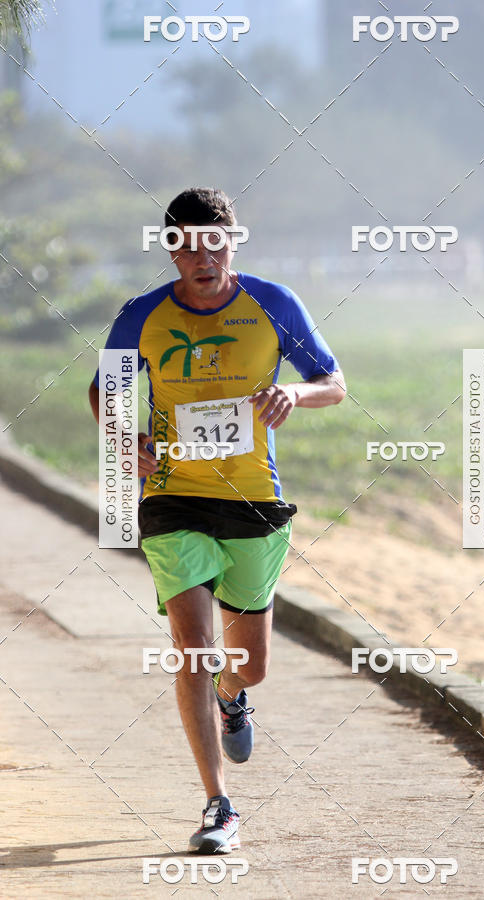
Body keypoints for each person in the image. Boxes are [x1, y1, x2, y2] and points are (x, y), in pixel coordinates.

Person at [88, 187, 346, 854]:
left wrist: (293, 391)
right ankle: (218, 804)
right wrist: (124, 442)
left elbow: (333, 381)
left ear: (233, 243)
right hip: (173, 497)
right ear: (171, 250)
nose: (202, 257)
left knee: (247, 664)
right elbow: (105, 390)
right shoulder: (141, 316)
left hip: (254, 500)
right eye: (186, 245)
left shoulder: (274, 304)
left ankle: (234, 697)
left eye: (214, 242)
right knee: (194, 648)